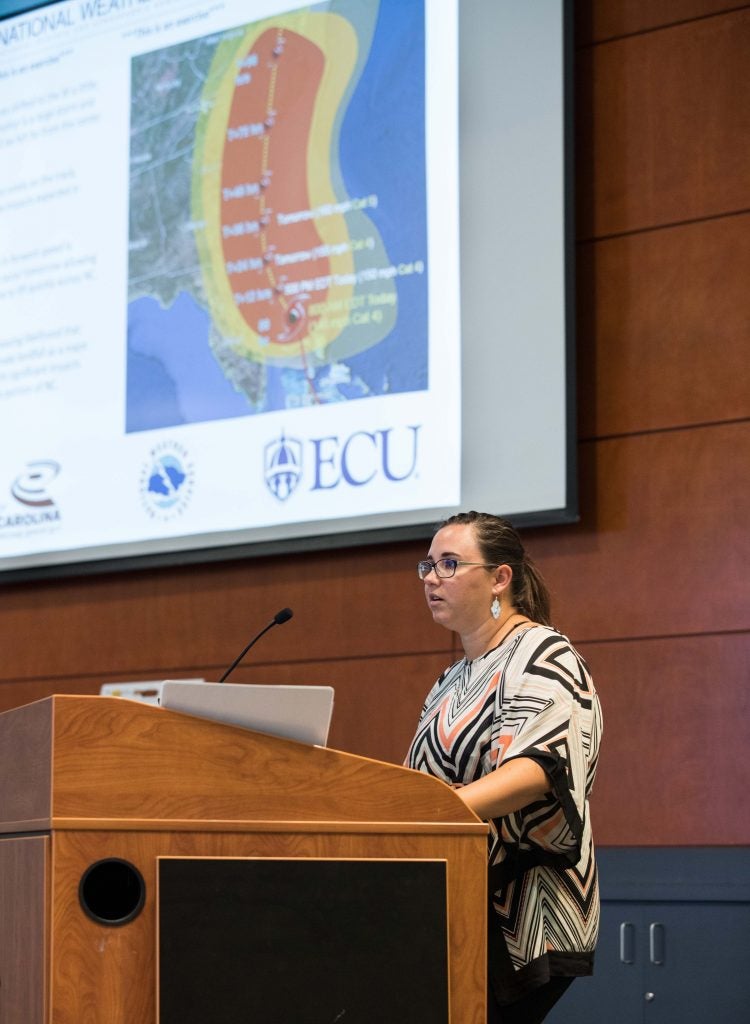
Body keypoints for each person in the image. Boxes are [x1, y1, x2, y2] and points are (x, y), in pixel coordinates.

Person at [405, 511, 602, 1023]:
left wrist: (434, 811)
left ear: (499, 577)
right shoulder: (452, 679)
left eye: (450, 564)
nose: (432, 577)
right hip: (453, 902)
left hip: (525, 914)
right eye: (428, 565)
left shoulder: (541, 653)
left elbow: (536, 769)